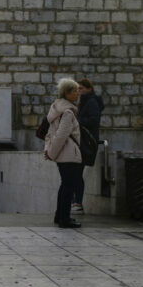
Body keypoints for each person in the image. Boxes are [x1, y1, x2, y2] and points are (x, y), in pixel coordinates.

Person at [44, 78, 82, 229]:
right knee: (69, 186)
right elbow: (61, 135)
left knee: (65, 184)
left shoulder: (56, 108)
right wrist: (52, 153)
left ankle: (60, 215)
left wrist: (49, 151)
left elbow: (50, 133)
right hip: (68, 154)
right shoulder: (67, 112)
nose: (77, 94)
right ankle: (64, 218)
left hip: (62, 154)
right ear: (66, 93)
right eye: (74, 91)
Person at [72, 78, 105, 215]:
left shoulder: (90, 102)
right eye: (77, 89)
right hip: (83, 142)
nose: (78, 91)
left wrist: (77, 122)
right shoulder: (85, 102)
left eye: (81, 89)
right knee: (75, 173)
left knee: (77, 173)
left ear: (89, 89)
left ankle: (78, 203)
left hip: (86, 143)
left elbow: (93, 120)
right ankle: (76, 202)